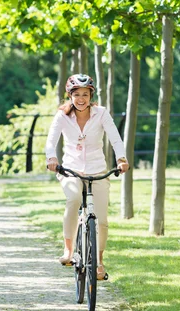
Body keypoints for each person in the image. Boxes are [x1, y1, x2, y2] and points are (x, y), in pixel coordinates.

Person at [45, 73, 129, 280]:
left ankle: (99, 262)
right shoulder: (62, 116)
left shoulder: (101, 114)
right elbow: (51, 141)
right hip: (71, 170)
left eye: (85, 94)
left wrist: (121, 158)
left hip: (97, 170)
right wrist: (51, 158)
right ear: (70, 96)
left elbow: (115, 139)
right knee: (73, 200)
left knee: (101, 219)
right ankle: (68, 250)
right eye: (77, 94)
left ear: (91, 95)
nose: (81, 99)